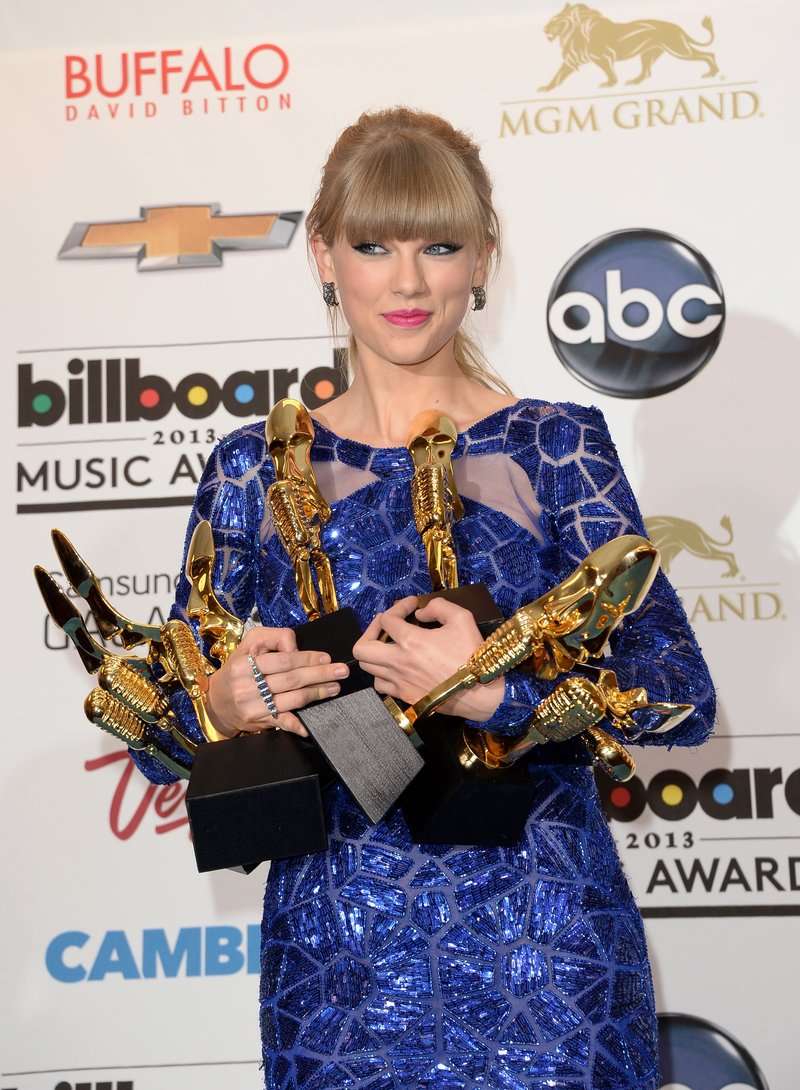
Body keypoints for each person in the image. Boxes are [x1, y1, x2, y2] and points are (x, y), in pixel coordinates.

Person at [132, 107, 715, 1090]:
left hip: (546, 953)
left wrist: (499, 693)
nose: (407, 281)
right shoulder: (250, 470)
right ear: (325, 256)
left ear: (482, 259)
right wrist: (222, 705)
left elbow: (677, 693)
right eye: (374, 246)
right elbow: (156, 731)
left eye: (438, 246)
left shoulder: (553, 445)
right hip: (337, 969)